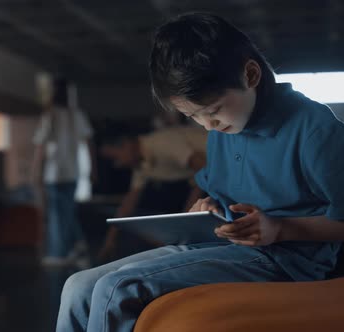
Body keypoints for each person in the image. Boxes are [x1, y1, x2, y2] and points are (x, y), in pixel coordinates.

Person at [57, 13, 344, 331]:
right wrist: (207, 208)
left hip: (292, 259)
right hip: (226, 245)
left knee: (117, 288)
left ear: (250, 74)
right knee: (78, 286)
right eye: (192, 116)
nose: (209, 125)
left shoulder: (315, 129)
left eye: (214, 110)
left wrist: (280, 229)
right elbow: (222, 196)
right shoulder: (225, 129)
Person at [97, 125, 207, 261]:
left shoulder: (160, 143)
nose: (117, 165)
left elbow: (204, 169)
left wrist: (185, 219)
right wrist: (110, 240)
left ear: (126, 145)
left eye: (116, 158)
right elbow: (128, 203)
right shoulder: (141, 165)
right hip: (210, 177)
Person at [32, 78, 97, 267]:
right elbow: (89, 143)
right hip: (72, 171)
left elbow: (41, 145)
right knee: (67, 210)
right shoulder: (77, 115)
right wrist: (93, 168)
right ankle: (77, 244)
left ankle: (60, 253)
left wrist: (36, 170)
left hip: (54, 173)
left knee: (57, 214)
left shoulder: (50, 115)